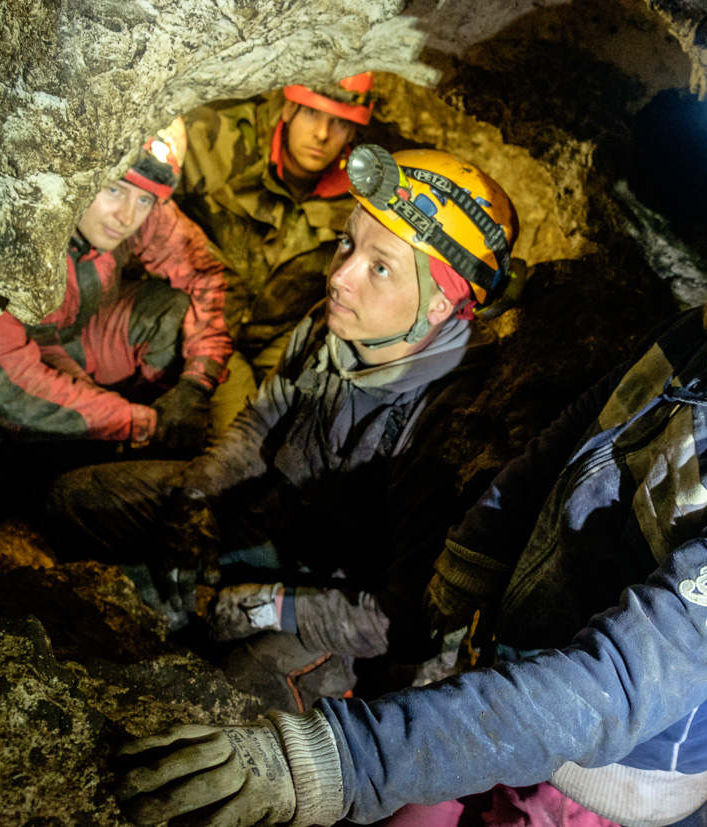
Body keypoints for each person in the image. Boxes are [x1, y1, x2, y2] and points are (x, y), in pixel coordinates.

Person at [113, 20, 707, 827]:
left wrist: (336, 760)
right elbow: (569, 442)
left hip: (590, 780)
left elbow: (611, 687)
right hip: (501, 675)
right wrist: (457, 590)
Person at [48, 147, 518, 705]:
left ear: (440, 303)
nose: (340, 277)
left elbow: (408, 618)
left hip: (350, 600)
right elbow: (260, 423)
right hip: (278, 521)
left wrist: (269, 606)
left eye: (380, 266)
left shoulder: (456, 423)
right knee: (74, 499)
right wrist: (198, 495)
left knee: (239, 688)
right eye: (348, 242)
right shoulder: (333, 325)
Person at [0, 119, 232, 451]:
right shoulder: (0, 237)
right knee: (54, 447)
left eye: (144, 200)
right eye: (114, 189)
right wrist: (138, 423)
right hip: (16, 375)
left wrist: (196, 383)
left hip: (83, 336)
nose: (127, 217)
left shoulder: (142, 207)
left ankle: (136, 427)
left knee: (173, 311)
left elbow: (205, 273)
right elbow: (11, 378)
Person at [177, 74, 375, 436]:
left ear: (354, 133)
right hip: (204, 320)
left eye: (340, 122)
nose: (322, 135)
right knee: (238, 435)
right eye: (312, 115)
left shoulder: (363, 200)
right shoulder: (221, 141)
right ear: (289, 107)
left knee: (304, 430)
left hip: (281, 340)